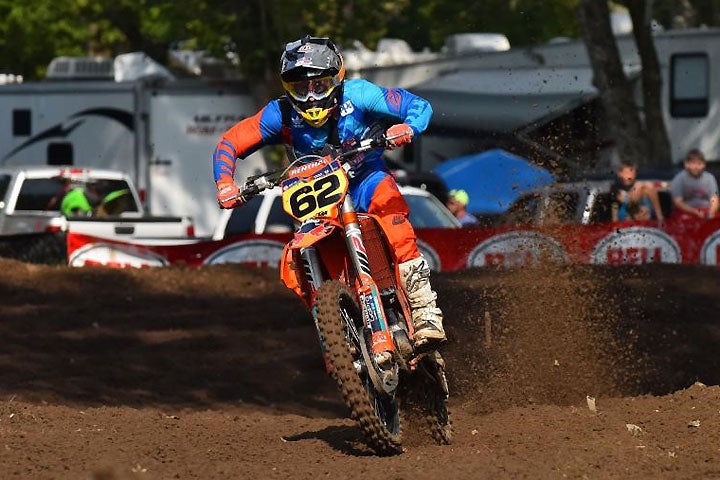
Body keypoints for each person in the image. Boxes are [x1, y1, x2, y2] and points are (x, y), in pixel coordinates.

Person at [211, 36, 445, 347]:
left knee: (396, 227)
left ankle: (424, 311)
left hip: (366, 177)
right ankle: (334, 330)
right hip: (315, 191)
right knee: (299, 256)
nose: (310, 96)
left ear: (336, 79)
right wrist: (225, 182)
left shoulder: (359, 94)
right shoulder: (279, 114)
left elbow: (415, 105)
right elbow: (231, 142)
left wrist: (408, 126)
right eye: (300, 88)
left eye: (319, 85)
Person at [610, 161, 665, 226]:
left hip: (644, 209)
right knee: (641, 185)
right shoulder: (615, 187)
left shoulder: (642, 188)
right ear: (620, 174)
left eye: (632, 173)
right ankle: (642, 214)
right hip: (627, 211)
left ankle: (660, 217)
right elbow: (626, 201)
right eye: (627, 173)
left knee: (648, 186)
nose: (630, 175)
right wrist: (637, 211)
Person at [670, 148, 719, 219]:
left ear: (704, 165)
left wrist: (711, 212)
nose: (696, 167)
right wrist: (695, 212)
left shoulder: (710, 178)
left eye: (699, 164)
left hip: (706, 210)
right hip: (686, 211)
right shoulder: (679, 179)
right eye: (693, 163)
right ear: (686, 164)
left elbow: (714, 198)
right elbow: (678, 202)